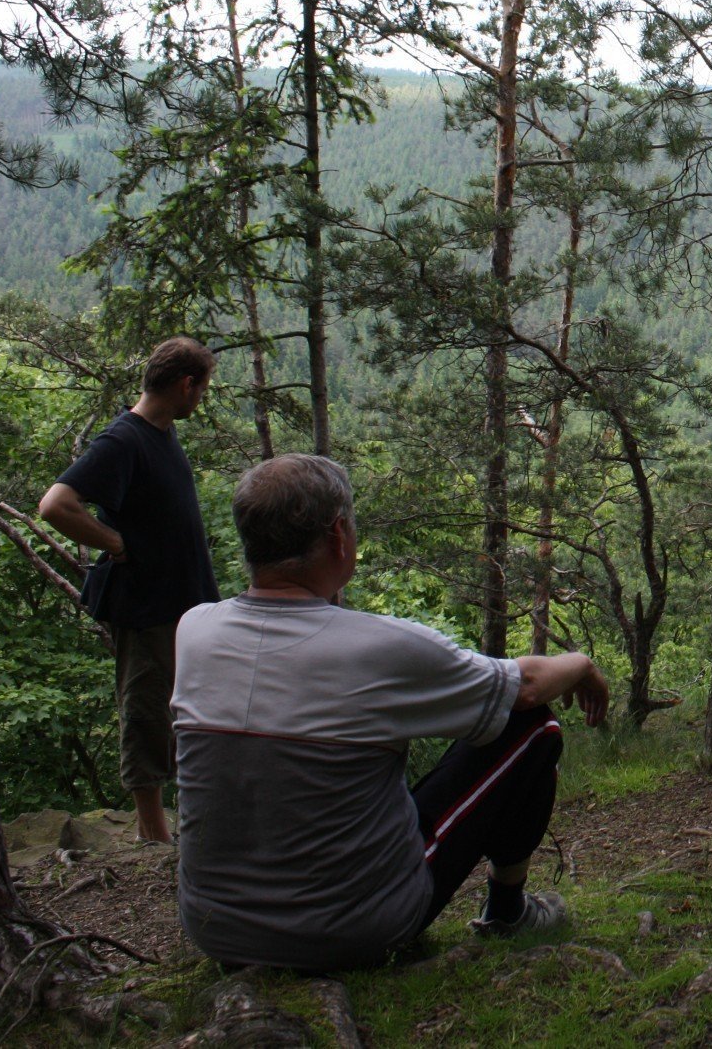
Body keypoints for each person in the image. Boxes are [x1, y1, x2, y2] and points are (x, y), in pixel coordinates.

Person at [172, 453, 611, 970]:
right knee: (531, 725)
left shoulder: (194, 631)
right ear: (339, 535)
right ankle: (508, 911)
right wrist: (581, 663)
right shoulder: (377, 647)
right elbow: (527, 689)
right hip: (357, 929)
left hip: (214, 928)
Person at [39, 336, 220, 844]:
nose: (201, 398)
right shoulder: (123, 439)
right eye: (202, 388)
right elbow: (56, 505)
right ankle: (154, 834)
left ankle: (181, 820)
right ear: (186, 385)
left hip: (180, 603)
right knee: (146, 711)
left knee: (183, 708)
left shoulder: (159, 433)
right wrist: (116, 544)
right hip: (145, 606)